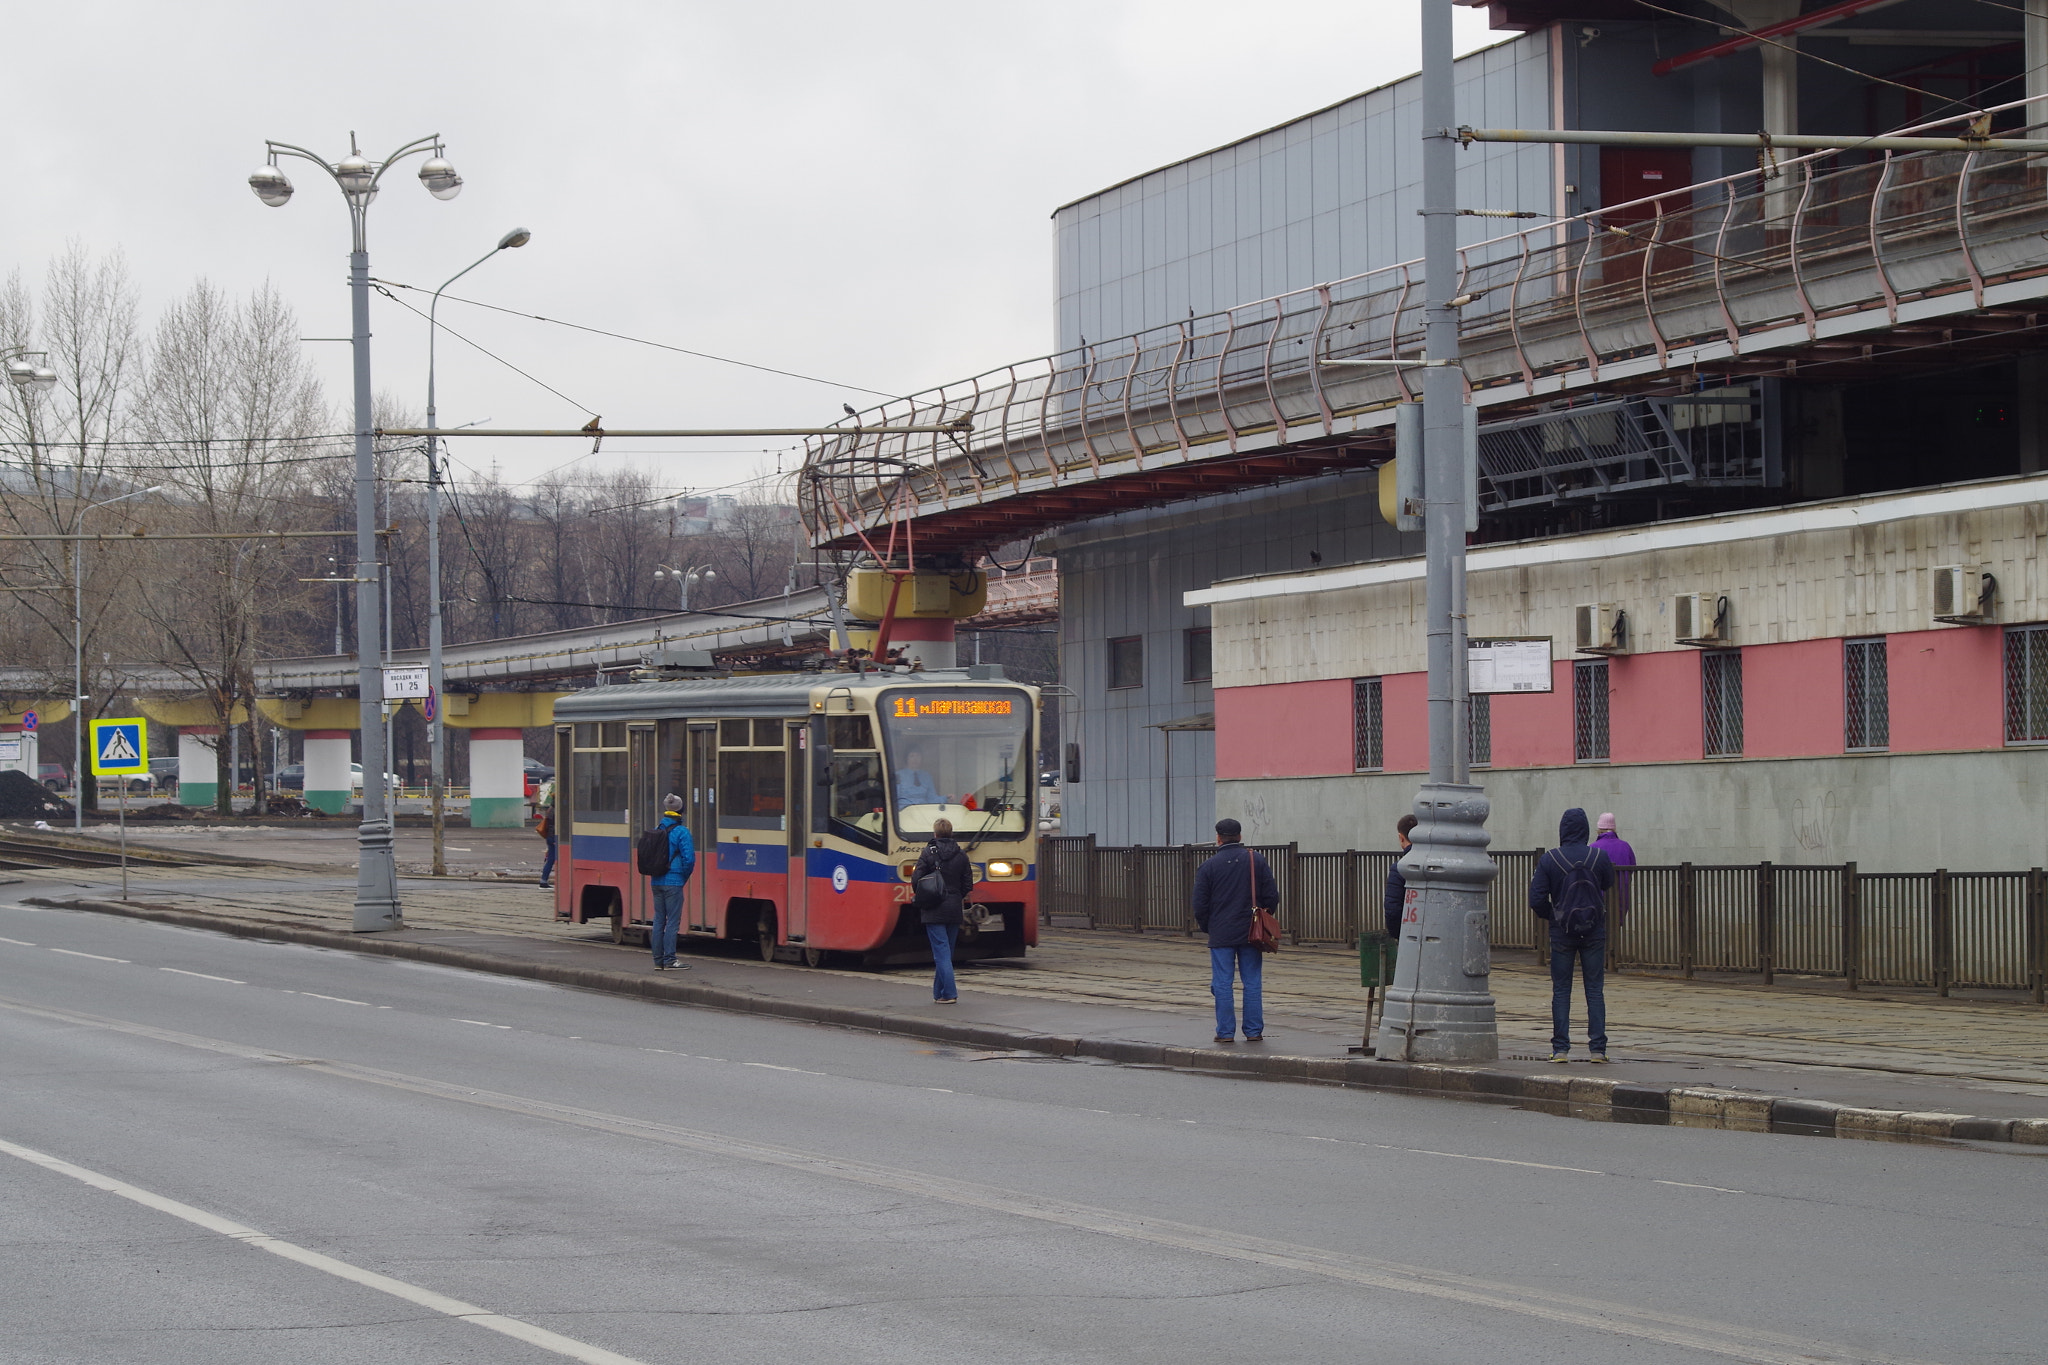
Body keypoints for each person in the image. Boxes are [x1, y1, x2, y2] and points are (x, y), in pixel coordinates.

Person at [1528, 807, 1617, 1063]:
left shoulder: (1550, 860)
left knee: (1562, 989)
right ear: (1586, 829)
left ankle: (1560, 1049)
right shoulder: (1598, 856)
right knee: (1594, 989)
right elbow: (1607, 883)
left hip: (1562, 933)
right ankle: (1598, 1050)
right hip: (1594, 930)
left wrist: (1554, 915)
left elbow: (1536, 899)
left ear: (1562, 829)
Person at [1191, 818, 1280, 1044]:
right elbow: (1272, 896)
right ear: (1240, 836)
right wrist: (1262, 916)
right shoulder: (1256, 860)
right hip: (1251, 932)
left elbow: (1199, 905)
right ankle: (1253, 1031)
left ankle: (1225, 1032)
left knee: (1222, 982)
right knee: (1252, 981)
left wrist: (1209, 927)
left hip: (1221, 933)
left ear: (1218, 838)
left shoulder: (1208, 866)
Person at [912, 815, 972, 1003]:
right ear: (951, 833)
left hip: (933, 908)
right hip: (954, 908)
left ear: (935, 833)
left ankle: (949, 994)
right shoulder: (961, 854)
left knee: (941, 953)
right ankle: (938, 994)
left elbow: (916, 879)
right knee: (946, 953)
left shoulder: (928, 852)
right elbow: (968, 883)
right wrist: (956, 897)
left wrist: (924, 895)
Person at [648, 794, 696, 972]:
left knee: (659, 920)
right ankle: (670, 959)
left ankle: (657, 960)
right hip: (674, 881)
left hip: (656, 881)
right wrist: (683, 877)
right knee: (673, 922)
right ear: (681, 811)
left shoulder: (657, 828)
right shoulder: (682, 832)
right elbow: (689, 859)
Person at [1592, 812, 1636, 927]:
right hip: (1620, 896)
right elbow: (1633, 867)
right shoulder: (1625, 846)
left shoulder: (1593, 848)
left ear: (1599, 829)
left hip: (1598, 900)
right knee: (1615, 929)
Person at [1383, 812, 1418, 943]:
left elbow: (1393, 910)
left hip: (1409, 934)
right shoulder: (1438, 863)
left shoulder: (1399, 868)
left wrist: (1398, 934)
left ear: (1401, 837)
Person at [533, 777, 557, 890]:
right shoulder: (557, 811)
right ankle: (545, 881)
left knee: (551, 859)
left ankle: (543, 880)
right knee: (555, 859)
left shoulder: (550, 810)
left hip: (550, 837)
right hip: (555, 838)